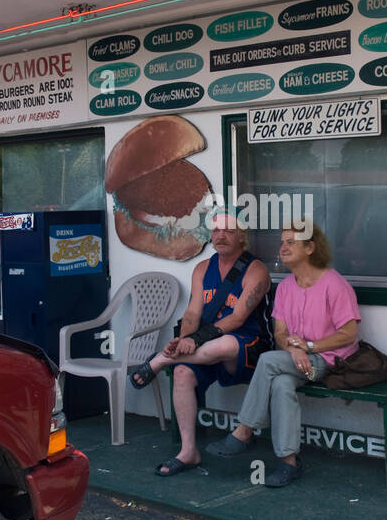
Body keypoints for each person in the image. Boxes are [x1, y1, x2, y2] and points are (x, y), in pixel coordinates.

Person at [206, 223, 359, 487]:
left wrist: (308, 347)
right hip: (294, 361)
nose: (283, 248)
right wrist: (293, 349)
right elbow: (280, 333)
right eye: (282, 242)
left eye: (291, 242)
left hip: (330, 361)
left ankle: (244, 430)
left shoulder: (334, 284)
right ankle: (289, 462)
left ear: (310, 248)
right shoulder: (287, 286)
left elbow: (348, 334)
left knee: (267, 361)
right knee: (281, 383)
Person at [128, 209, 272, 476]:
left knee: (225, 344)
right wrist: (182, 341)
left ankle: (158, 361)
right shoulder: (202, 268)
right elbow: (193, 312)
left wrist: (191, 342)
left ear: (241, 236)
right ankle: (188, 451)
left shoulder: (256, 269)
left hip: (247, 348)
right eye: (216, 230)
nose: (221, 236)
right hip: (201, 347)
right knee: (182, 373)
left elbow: (238, 318)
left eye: (229, 231)